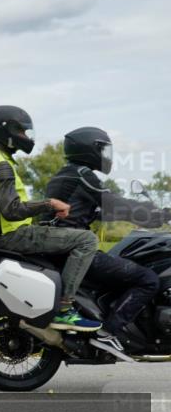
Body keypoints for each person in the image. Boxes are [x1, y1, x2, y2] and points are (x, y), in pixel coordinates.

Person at [0, 106, 102, 332]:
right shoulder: (2, 165)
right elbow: (11, 210)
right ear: (7, 132)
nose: (26, 137)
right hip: (12, 235)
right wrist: (49, 203)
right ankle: (65, 309)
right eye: (21, 131)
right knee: (86, 240)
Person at [44, 126, 167, 350]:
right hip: (74, 250)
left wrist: (142, 214)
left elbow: (94, 209)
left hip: (58, 248)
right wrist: (158, 213)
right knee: (148, 279)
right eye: (103, 150)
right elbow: (113, 203)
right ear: (89, 149)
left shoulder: (64, 175)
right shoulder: (83, 175)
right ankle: (109, 332)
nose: (105, 156)